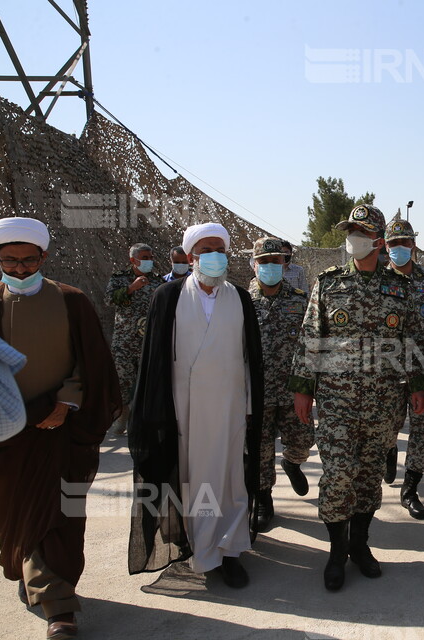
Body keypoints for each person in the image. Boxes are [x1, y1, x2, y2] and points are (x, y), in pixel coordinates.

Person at [0, 217, 121, 640]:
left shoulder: (71, 300)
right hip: (3, 436)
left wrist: (67, 401)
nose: (21, 269)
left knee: (61, 517)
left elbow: (92, 363)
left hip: (60, 429)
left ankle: (59, 607)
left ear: (44, 256)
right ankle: (29, 573)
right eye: (11, 261)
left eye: (29, 260)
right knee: (13, 518)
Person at [289, 205, 424, 591]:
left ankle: (360, 545)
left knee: (368, 479)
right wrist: (302, 389)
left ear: (378, 241)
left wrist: (418, 386)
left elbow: (412, 342)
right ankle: (336, 552)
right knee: (337, 478)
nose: (353, 238)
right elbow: (309, 340)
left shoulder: (400, 288)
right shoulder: (328, 283)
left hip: (384, 403)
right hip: (336, 403)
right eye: (350, 231)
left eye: (361, 232)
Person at [129, 222, 264, 590]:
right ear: (191, 257)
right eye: (207, 250)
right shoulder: (168, 296)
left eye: (221, 249)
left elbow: (249, 357)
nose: (215, 256)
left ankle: (231, 549)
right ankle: (203, 549)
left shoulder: (239, 297)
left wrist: (251, 404)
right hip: (185, 410)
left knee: (230, 478)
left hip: (231, 408)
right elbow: (154, 360)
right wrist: (156, 412)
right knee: (196, 482)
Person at [247, 237, 313, 532]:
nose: (272, 266)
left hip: (292, 389)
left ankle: (293, 463)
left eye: (277, 261)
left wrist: (309, 387)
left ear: (285, 264)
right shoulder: (241, 302)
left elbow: (312, 344)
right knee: (259, 452)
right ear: (254, 264)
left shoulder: (300, 300)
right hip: (256, 392)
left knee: (303, 441)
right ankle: (264, 498)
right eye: (265, 261)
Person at [382, 217, 424, 519]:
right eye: (393, 243)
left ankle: (410, 489)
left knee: (421, 433)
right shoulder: (379, 281)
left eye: (404, 242)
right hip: (389, 374)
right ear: (385, 245)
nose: (399, 248)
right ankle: (390, 449)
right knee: (388, 427)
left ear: (413, 245)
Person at [105, 243, 162, 434]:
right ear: (133, 260)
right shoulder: (120, 278)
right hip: (125, 341)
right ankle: (122, 415)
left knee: (148, 382)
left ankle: (143, 421)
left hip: (150, 340)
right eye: (144, 257)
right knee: (122, 381)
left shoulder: (158, 281)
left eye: (150, 257)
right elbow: (110, 299)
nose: (149, 261)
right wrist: (131, 288)